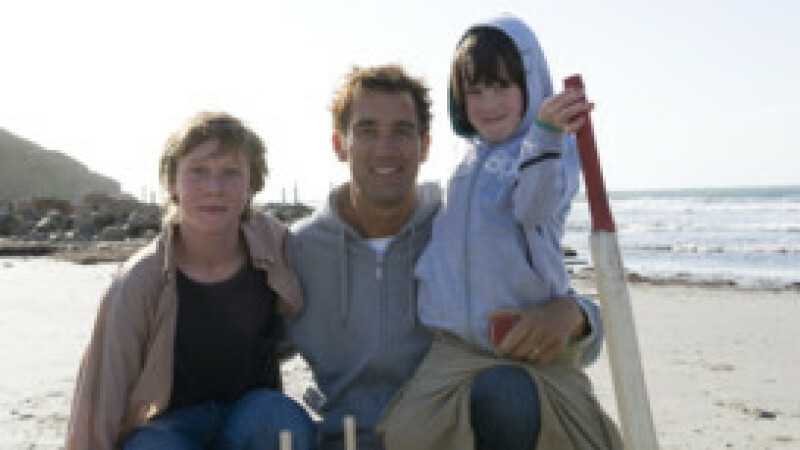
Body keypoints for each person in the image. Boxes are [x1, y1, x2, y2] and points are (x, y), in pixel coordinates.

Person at [377, 14, 622, 449]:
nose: (488, 103)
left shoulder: (553, 151)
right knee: (403, 435)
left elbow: (535, 207)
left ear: (532, 83)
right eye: (474, 91)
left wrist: (545, 137)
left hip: (529, 346)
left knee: (509, 402)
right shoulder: (463, 161)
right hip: (455, 349)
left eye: (502, 86)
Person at [65, 112, 317, 450]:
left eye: (230, 172)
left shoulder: (280, 249)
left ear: (252, 185)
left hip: (251, 413)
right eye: (198, 171)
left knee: (281, 420)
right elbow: (101, 390)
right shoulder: (139, 281)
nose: (214, 188)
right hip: (168, 426)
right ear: (172, 183)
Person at [286, 65, 440, 450]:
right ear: (340, 144)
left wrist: (577, 318)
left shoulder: (458, 230)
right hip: (343, 439)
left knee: (509, 394)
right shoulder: (300, 249)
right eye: (367, 131)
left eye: (401, 131)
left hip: (440, 434)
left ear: (424, 145)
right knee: (263, 417)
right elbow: (249, 344)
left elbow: (552, 314)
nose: (385, 149)